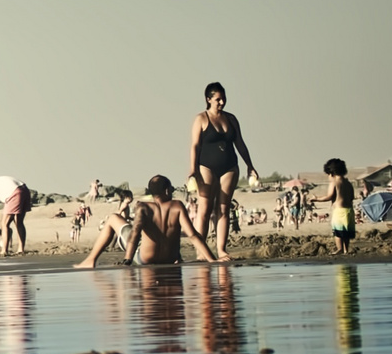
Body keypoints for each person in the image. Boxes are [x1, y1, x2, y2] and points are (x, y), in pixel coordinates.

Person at [74, 177, 225, 267]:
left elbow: (134, 234)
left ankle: (90, 260)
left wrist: (127, 260)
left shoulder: (143, 207)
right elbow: (193, 236)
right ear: (166, 191)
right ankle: (90, 260)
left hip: (145, 259)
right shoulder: (177, 206)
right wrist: (212, 259)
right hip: (170, 258)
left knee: (113, 218)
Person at [188, 82, 257, 259]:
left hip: (230, 166)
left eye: (223, 98)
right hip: (206, 167)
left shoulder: (231, 119)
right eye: (217, 99)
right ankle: (201, 251)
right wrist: (192, 169)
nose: (221, 102)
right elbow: (195, 145)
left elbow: (240, 143)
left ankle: (221, 250)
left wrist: (250, 165)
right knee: (204, 209)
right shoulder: (201, 119)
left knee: (224, 209)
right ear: (208, 99)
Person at [314, 158, 356, 254]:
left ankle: (339, 248)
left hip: (339, 211)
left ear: (331, 173)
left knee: (338, 231)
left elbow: (328, 196)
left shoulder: (334, 183)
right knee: (346, 232)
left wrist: (316, 198)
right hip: (349, 210)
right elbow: (352, 197)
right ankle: (346, 249)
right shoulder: (348, 183)